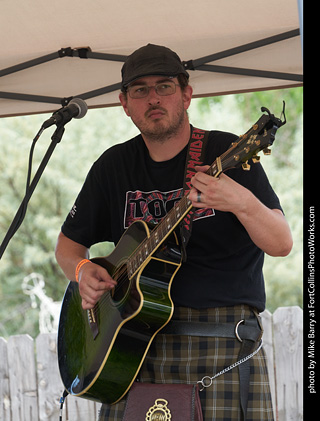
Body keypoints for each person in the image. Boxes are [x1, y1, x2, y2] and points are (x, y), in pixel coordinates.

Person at [55, 44, 293, 420]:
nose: (153, 98)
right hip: (130, 348)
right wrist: (83, 271)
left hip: (219, 341)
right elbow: (68, 246)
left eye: (164, 86)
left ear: (186, 94)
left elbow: (282, 242)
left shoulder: (225, 151)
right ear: (124, 102)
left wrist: (241, 202)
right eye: (140, 90)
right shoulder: (112, 166)